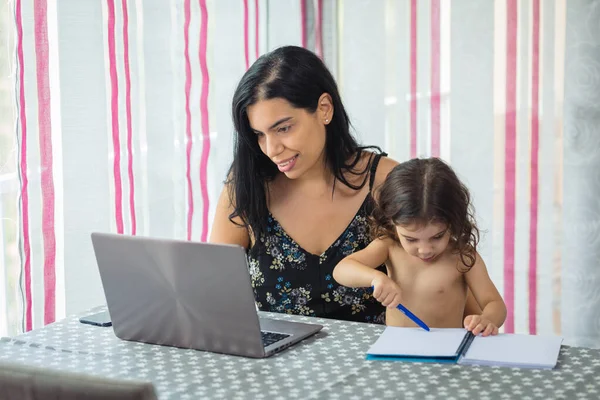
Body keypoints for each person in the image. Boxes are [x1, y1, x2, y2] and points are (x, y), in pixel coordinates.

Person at [209, 45, 398, 323]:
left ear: (324, 109)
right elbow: (214, 294)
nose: (271, 149)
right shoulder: (247, 184)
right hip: (274, 364)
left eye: (283, 128)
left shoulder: (387, 182)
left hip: (378, 362)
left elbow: (448, 284)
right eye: (259, 134)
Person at [332, 158, 506, 336]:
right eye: (411, 239)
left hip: (444, 352)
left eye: (437, 236)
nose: (425, 249)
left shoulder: (463, 256)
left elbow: (495, 304)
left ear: (454, 221)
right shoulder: (389, 246)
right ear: (392, 223)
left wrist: (487, 319)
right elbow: (341, 270)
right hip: (396, 351)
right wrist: (376, 278)